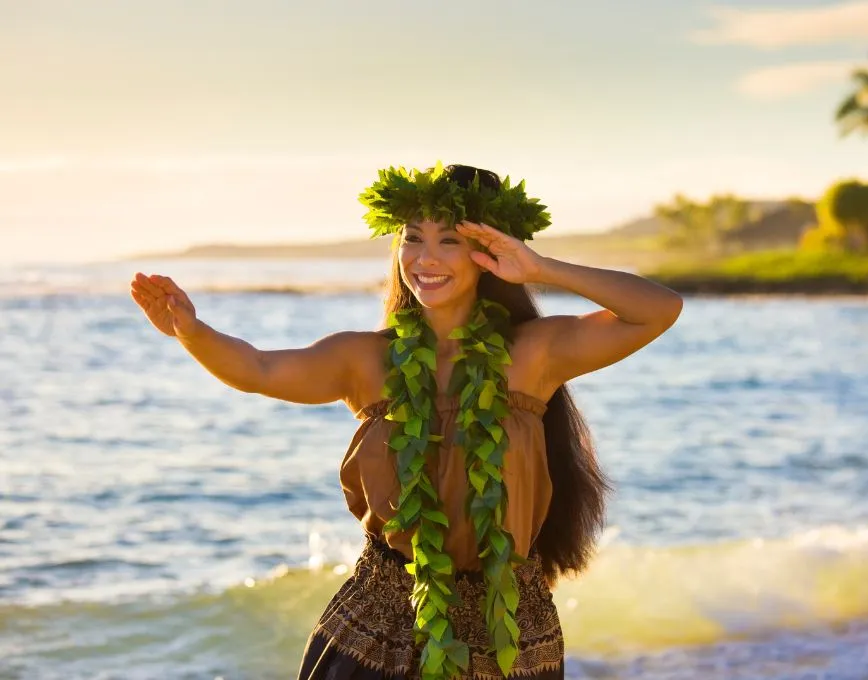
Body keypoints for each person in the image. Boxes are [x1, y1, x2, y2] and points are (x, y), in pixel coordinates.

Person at [129, 163, 683, 679]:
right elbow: (258, 367)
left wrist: (539, 268)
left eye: (451, 241)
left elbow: (658, 309)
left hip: (509, 627)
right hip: (380, 621)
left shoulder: (534, 354)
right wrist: (191, 332)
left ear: (488, 252)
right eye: (412, 238)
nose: (425, 257)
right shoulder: (365, 359)